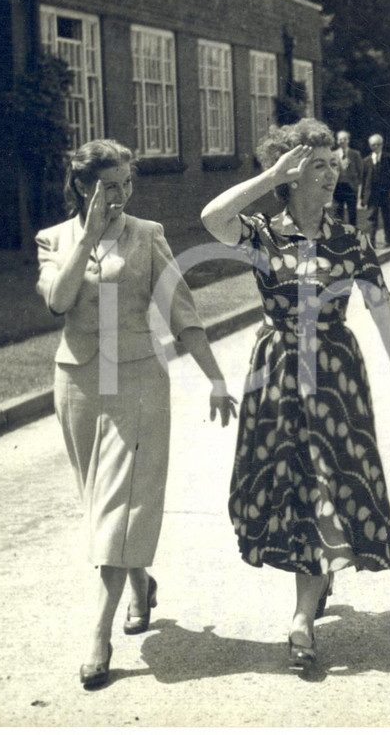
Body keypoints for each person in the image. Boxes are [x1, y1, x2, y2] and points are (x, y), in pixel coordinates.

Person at [200, 118, 390, 668]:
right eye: (316, 165)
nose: (330, 173)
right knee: (292, 482)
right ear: (292, 175)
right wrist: (270, 174)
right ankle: (313, 584)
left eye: (331, 163)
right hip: (276, 374)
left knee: (325, 480)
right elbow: (211, 218)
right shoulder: (263, 234)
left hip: (335, 376)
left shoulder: (352, 240)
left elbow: (383, 315)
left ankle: (301, 619)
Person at [35, 139, 237, 689]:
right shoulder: (53, 239)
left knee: (123, 504)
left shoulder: (149, 236)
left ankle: (97, 637)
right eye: (111, 185)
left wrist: (216, 378)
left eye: (128, 183)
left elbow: (183, 312)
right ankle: (140, 582)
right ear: (83, 186)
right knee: (100, 505)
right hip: (78, 381)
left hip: (139, 380)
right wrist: (90, 237)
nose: (122, 194)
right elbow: (58, 300)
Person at [360, 133, 390, 248]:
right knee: (372, 219)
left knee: (388, 218)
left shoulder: (389, 159)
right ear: (370, 146)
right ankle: (372, 242)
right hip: (372, 195)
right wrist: (363, 197)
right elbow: (364, 181)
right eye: (373, 145)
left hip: (386, 193)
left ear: (382, 145)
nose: (376, 147)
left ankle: (388, 240)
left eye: (378, 145)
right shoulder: (366, 161)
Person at [332, 130, 363, 226]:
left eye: (344, 139)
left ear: (348, 140)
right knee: (337, 213)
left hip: (351, 188)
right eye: (340, 139)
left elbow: (360, 171)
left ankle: (352, 237)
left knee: (352, 213)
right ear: (337, 141)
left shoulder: (355, 154)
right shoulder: (333, 155)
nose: (342, 141)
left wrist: (356, 184)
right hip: (337, 187)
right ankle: (339, 236)